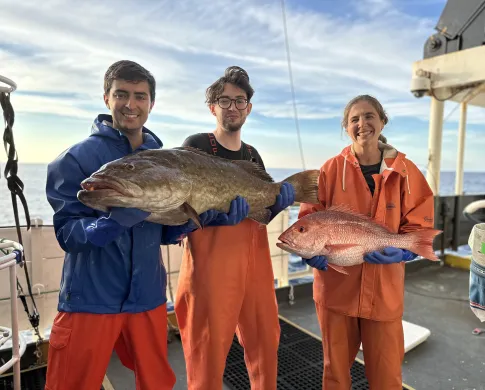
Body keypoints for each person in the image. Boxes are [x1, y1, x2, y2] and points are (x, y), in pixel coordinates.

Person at [44, 60, 240, 390]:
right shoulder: (73, 160)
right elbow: (67, 233)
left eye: (140, 96)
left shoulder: (166, 160)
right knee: (71, 383)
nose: (131, 104)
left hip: (148, 297)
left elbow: (164, 231)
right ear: (106, 97)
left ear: (151, 103)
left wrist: (198, 220)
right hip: (89, 299)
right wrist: (108, 224)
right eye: (121, 94)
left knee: (156, 382)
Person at [298, 95, 435, 390]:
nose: (362, 124)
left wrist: (405, 250)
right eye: (354, 119)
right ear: (347, 128)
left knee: (387, 377)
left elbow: (421, 220)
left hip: (384, 292)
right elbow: (307, 220)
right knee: (334, 374)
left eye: (369, 116)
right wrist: (309, 254)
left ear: (382, 121)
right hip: (336, 292)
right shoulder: (329, 170)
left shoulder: (406, 172)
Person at [174, 66, 295, 390]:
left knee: (265, 341)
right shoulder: (195, 145)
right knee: (206, 351)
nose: (232, 107)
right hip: (210, 267)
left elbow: (262, 214)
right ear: (212, 107)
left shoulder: (253, 155)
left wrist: (278, 204)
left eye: (239, 101)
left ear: (248, 108)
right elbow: (182, 208)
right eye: (224, 101)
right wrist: (211, 216)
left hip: (254, 262)